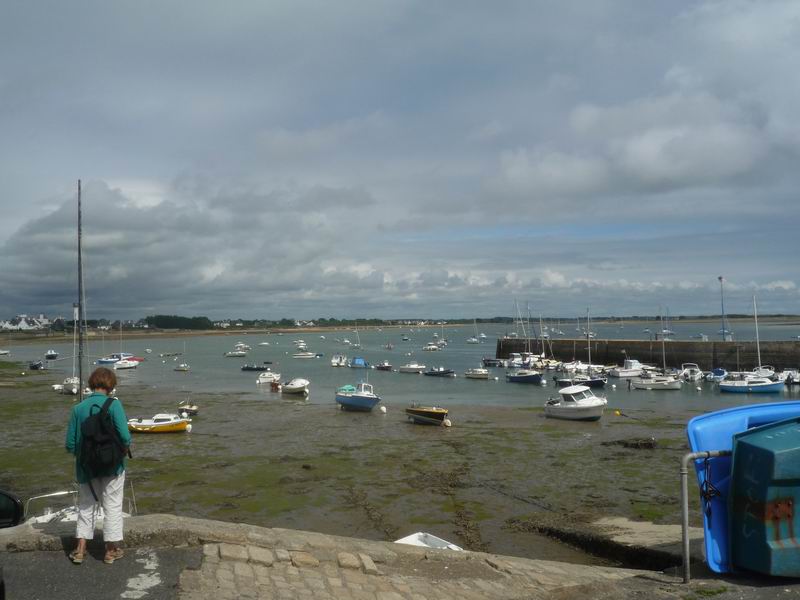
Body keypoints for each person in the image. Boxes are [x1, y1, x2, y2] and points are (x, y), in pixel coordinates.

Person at [65, 367, 131, 565]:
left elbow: (70, 444)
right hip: (113, 466)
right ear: (111, 385)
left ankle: (80, 549)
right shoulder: (114, 405)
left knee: (86, 506)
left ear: (91, 383)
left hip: (86, 467)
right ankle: (110, 551)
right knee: (112, 506)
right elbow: (125, 437)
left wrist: (85, 456)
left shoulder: (78, 409)